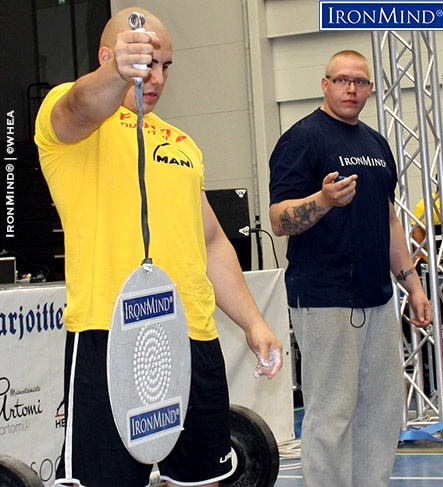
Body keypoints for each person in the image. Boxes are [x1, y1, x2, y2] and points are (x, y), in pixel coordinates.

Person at [35, 7, 283, 487]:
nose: (157, 77)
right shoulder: (71, 121)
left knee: (203, 480)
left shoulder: (183, 144)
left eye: (165, 65)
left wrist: (253, 323)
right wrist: (114, 73)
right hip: (110, 333)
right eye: (147, 63)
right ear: (109, 56)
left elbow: (210, 241)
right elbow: (78, 108)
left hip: (192, 335)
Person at [268, 50, 432, 487]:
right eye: (342, 80)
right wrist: (323, 201)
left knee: (380, 408)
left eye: (360, 82)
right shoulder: (301, 140)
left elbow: (388, 218)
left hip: (377, 298)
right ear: (325, 84)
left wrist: (412, 286)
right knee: (332, 411)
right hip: (323, 299)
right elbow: (278, 218)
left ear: (370, 89)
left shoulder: (377, 145)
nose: (351, 89)